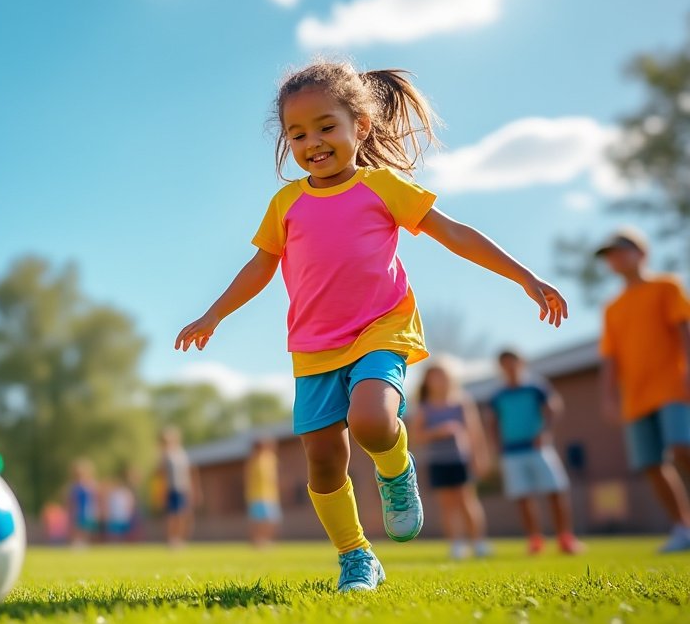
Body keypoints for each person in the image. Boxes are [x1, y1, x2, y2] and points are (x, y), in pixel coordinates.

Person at [175, 61, 568, 591]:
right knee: (322, 461)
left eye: (326, 126)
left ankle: (395, 469)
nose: (313, 141)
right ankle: (357, 556)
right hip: (314, 345)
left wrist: (525, 277)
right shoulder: (286, 204)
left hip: (382, 327)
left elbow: (455, 233)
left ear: (359, 125)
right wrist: (213, 314)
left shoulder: (382, 187)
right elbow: (260, 267)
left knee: (373, 421)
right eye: (298, 134)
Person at [596, 228, 690, 552]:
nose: (616, 258)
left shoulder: (667, 287)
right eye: (610, 255)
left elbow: (683, 329)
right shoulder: (612, 308)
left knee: (681, 448)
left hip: (672, 387)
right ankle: (682, 528)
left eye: (622, 250)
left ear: (641, 253)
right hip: (636, 396)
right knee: (651, 464)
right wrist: (609, 396)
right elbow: (610, 358)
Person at [486, 350, 582, 555]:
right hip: (512, 452)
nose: (509, 367)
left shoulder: (536, 387)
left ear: (521, 363)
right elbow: (493, 422)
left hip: (538, 448)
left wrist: (545, 432)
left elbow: (553, 408)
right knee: (522, 497)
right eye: (505, 364)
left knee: (555, 491)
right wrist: (497, 445)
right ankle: (535, 540)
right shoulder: (498, 395)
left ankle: (565, 538)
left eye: (513, 362)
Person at [408, 362, 491, 560]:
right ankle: (456, 545)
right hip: (438, 460)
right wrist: (438, 432)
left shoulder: (461, 402)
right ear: (427, 381)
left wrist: (479, 457)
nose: (439, 381)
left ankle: (478, 543)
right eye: (434, 377)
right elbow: (416, 436)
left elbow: (474, 433)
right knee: (447, 504)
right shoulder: (423, 407)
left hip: (460, 459)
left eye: (442, 376)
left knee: (467, 500)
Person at [157, 429, 198, 549]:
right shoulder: (165, 455)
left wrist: (191, 490)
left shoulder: (181, 454)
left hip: (182, 489)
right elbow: (162, 475)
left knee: (182, 515)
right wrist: (161, 491)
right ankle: (172, 540)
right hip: (171, 489)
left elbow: (187, 473)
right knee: (172, 516)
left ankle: (180, 539)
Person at [245, 436, 282, 548]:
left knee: (272, 520)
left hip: (271, 495)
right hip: (256, 496)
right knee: (258, 521)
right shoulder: (253, 460)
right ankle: (258, 541)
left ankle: (266, 540)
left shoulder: (271, 458)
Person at [68, 460, 100, 549]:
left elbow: (95, 499)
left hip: (88, 511)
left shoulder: (91, 485)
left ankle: (84, 545)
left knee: (86, 530)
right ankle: (77, 545)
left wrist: (96, 510)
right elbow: (71, 501)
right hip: (78, 511)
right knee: (78, 530)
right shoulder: (74, 487)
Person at [103, 470, 138, 543]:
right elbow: (108, 503)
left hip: (123, 515)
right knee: (114, 532)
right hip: (114, 515)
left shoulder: (125, 492)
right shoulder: (112, 493)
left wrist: (129, 512)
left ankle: (121, 543)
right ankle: (114, 543)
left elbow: (130, 502)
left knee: (123, 531)